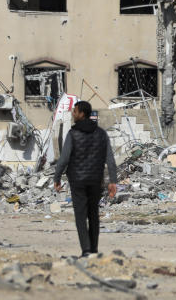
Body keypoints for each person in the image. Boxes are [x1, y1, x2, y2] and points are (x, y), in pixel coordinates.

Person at [54, 100, 118, 257]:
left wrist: (57, 177)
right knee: (93, 214)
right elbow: (110, 159)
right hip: (96, 180)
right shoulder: (101, 134)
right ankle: (94, 249)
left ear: (82, 113)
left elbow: (64, 158)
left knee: (80, 216)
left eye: (75, 111)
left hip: (77, 181)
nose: (73, 114)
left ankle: (86, 250)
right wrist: (113, 181)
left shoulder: (73, 134)